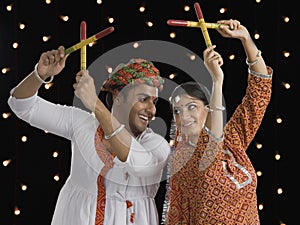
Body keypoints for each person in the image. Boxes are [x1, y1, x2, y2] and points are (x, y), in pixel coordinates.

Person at [7, 48, 171, 224]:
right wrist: (40, 74)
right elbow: (22, 105)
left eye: (154, 102)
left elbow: (137, 164)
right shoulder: (82, 124)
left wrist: (94, 103)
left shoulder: (157, 145)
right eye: (143, 99)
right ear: (118, 95)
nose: (152, 110)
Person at [163, 19, 273, 225]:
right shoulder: (182, 158)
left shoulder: (231, 142)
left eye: (191, 107)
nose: (183, 116)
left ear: (208, 108)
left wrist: (245, 39)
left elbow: (259, 95)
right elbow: (210, 145)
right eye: (177, 111)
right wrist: (216, 80)